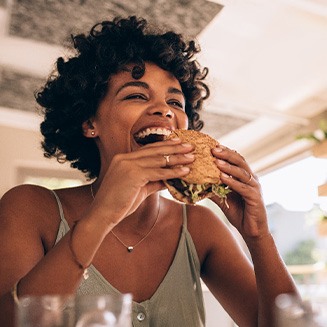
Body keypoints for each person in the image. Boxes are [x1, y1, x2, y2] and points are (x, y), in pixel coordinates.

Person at [0, 16, 298, 326]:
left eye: (175, 101)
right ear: (90, 123)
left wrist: (259, 235)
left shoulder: (200, 226)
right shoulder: (29, 208)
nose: (164, 110)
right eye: (136, 95)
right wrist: (101, 217)